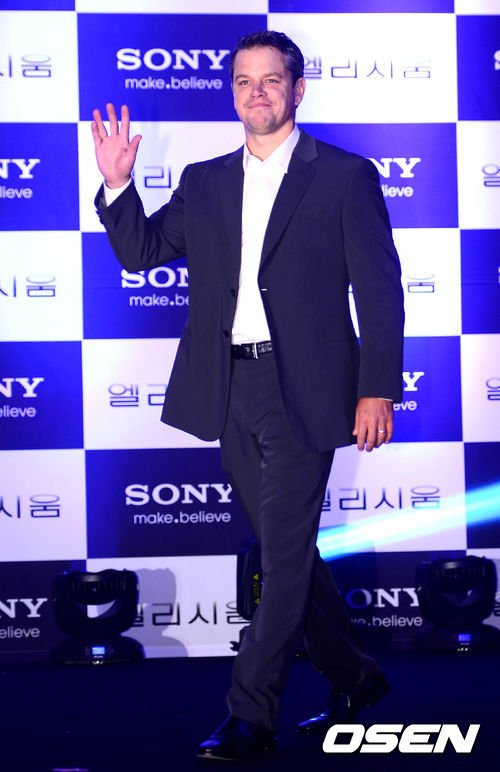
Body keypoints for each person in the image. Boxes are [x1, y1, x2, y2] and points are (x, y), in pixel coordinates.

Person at [91, 30, 404, 762]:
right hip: (228, 385)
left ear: (298, 89)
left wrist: (377, 389)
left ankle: (251, 714)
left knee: (283, 559)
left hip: (308, 390)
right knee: (286, 549)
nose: (256, 92)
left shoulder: (344, 175)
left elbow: (380, 292)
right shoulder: (204, 181)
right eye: (243, 81)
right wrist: (118, 185)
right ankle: (357, 676)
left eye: (270, 79)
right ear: (232, 92)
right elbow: (142, 252)